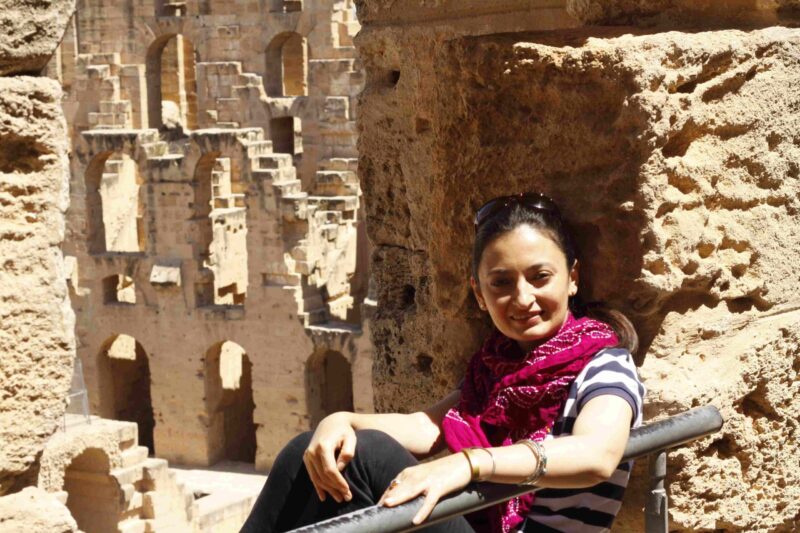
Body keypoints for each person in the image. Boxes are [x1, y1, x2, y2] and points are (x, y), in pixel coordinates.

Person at [241, 193, 645, 533]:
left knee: (369, 455)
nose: (523, 299)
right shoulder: (497, 371)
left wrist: (469, 465)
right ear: (479, 293)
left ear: (572, 278)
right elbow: (426, 426)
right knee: (309, 451)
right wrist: (341, 420)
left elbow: (596, 455)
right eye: (501, 283)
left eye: (540, 277)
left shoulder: (604, 364)